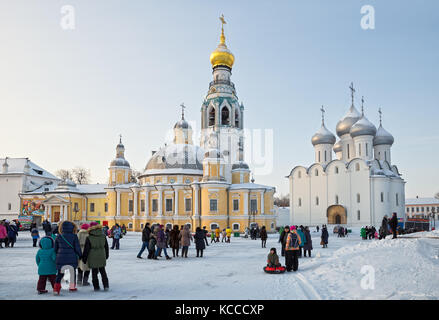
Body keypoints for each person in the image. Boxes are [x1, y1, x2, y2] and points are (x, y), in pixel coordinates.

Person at [53, 221, 82, 295]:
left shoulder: (59, 236)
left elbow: (55, 249)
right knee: (72, 272)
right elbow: (77, 248)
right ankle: (72, 287)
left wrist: (58, 254)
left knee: (60, 274)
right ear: (72, 228)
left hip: (60, 257)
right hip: (71, 257)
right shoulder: (74, 236)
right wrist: (80, 255)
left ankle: (56, 289)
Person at [82, 222, 109, 291]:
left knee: (94, 272)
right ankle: (106, 286)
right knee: (103, 271)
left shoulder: (89, 237)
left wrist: (84, 259)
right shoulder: (103, 236)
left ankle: (96, 287)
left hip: (92, 256)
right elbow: (106, 247)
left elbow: (86, 249)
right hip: (101, 255)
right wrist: (106, 255)